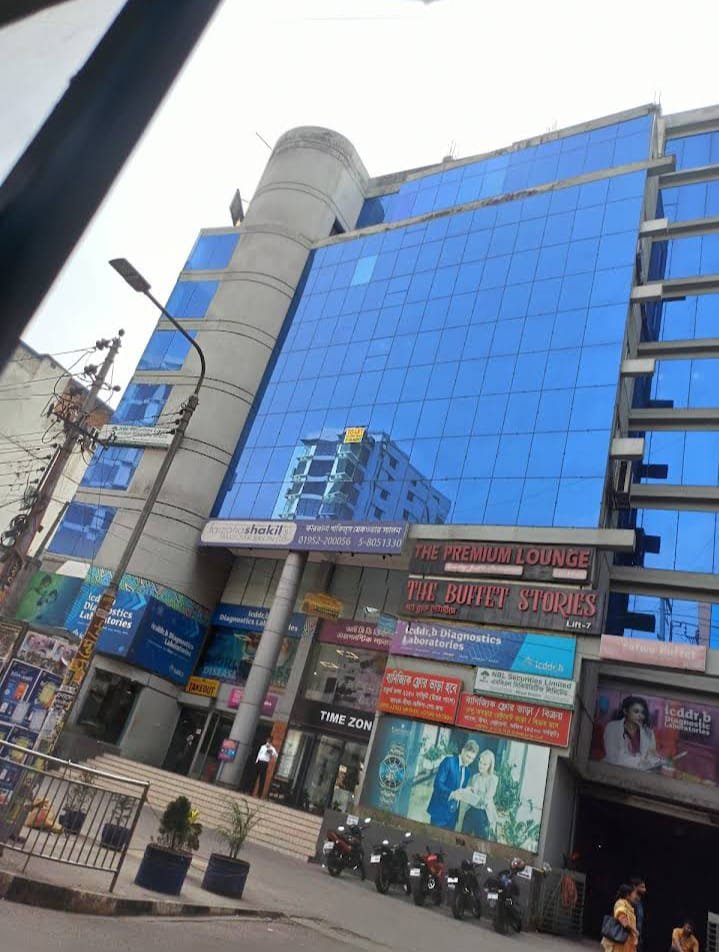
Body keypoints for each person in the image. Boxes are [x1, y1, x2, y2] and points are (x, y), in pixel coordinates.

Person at [427, 740, 478, 829]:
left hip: (453, 816)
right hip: (440, 813)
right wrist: (452, 794)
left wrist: (467, 791)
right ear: (463, 751)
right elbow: (437, 784)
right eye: (468, 756)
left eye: (472, 759)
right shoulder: (448, 761)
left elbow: (459, 790)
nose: (469, 761)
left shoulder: (467, 772)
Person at [603, 697, 663, 770]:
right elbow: (613, 757)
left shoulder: (649, 732)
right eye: (636, 711)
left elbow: (652, 756)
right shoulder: (612, 727)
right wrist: (641, 760)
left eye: (642, 713)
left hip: (641, 772)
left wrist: (654, 757)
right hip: (614, 770)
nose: (640, 716)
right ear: (625, 711)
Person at [458, 748, 499, 838]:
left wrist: (474, 796)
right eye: (480, 762)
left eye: (485, 764)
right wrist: (467, 792)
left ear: (490, 766)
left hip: (484, 812)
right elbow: (472, 795)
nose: (481, 766)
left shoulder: (493, 779)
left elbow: (487, 799)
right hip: (472, 809)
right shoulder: (475, 777)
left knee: (481, 837)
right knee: (464, 832)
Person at [601, 884, 640, 952]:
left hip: (627, 943)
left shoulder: (629, 906)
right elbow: (623, 920)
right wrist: (634, 931)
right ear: (628, 895)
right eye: (634, 894)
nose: (635, 897)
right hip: (619, 943)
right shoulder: (621, 903)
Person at [630, 878, 647, 952]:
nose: (644, 890)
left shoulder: (639, 902)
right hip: (630, 933)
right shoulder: (631, 901)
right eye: (642, 887)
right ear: (635, 887)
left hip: (637, 933)